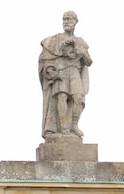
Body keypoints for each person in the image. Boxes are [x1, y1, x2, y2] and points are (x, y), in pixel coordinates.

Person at [38, 11, 91, 140]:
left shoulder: (81, 42)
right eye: (64, 19)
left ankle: (73, 125)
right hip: (61, 72)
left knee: (78, 98)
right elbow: (44, 59)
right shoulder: (54, 40)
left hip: (74, 71)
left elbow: (89, 62)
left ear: (76, 21)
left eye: (69, 19)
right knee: (61, 96)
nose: (66, 22)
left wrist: (82, 53)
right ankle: (63, 128)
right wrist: (50, 70)